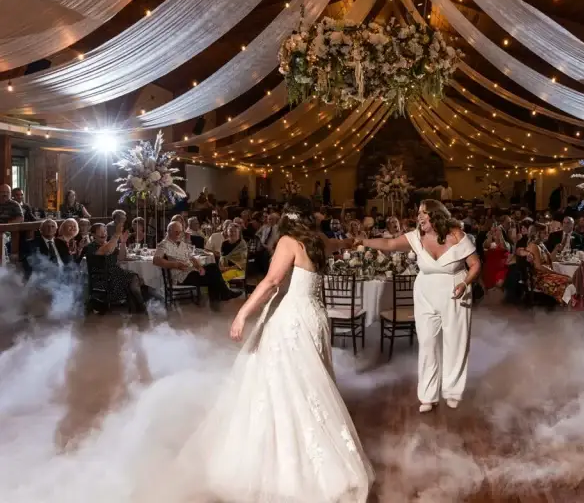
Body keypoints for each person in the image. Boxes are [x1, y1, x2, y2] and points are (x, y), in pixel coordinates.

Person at [185, 196, 373, 502]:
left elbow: (273, 281)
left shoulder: (288, 241)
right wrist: (354, 239)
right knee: (310, 384)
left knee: (283, 383)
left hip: (292, 318)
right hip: (316, 316)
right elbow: (342, 245)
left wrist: (242, 313)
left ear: (287, 218)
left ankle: (287, 460)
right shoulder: (320, 241)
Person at [362, 199, 481, 413]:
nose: (418, 216)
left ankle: (452, 391)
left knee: (455, 342)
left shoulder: (456, 235)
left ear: (435, 215)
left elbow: (475, 264)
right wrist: (363, 241)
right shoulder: (416, 236)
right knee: (427, 343)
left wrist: (464, 283)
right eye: (418, 212)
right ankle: (428, 395)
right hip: (425, 294)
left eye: (423, 212)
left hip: (455, 292)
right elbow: (389, 245)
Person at [154, 221, 240, 306]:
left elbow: (192, 257)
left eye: (179, 232)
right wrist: (175, 264)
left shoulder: (181, 243)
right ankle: (222, 295)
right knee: (213, 277)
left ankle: (221, 295)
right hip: (181, 276)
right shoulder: (164, 244)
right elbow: (156, 260)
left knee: (213, 266)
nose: (178, 234)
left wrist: (199, 267)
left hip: (191, 270)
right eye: (176, 232)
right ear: (169, 231)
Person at [84, 223, 148, 313]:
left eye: (105, 231)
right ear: (93, 235)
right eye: (101, 232)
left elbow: (121, 257)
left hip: (114, 273)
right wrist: (117, 234)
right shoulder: (91, 246)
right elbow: (107, 250)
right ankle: (141, 306)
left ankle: (139, 306)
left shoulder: (109, 244)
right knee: (133, 278)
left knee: (134, 278)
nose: (104, 234)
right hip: (101, 277)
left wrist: (123, 242)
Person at [526, 222, 572, 305]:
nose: (547, 234)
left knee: (569, 279)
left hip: (546, 274)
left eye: (547, 232)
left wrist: (556, 249)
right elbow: (539, 266)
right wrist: (555, 273)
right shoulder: (534, 246)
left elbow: (550, 259)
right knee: (566, 281)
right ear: (537, 233)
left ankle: (569, 305)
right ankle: (566, 306)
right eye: (544, 232)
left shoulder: (541, 244)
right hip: (539, 277)